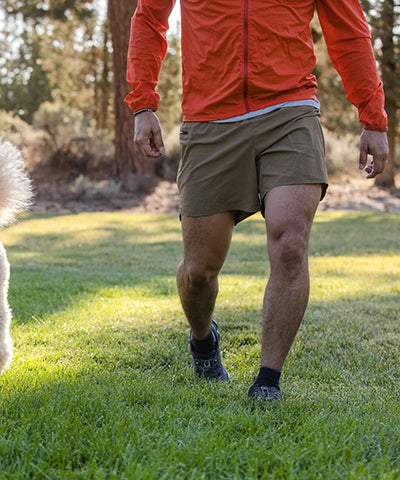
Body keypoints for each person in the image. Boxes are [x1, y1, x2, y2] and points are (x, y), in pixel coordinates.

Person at [126, 0, 389, 400]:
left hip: (290, 110)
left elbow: (348, 30)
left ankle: (268, 380)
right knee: (199, 270)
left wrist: (373, 116)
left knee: (291, 240)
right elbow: (149, 18)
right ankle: (203, 340)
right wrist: (143, 102)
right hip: (210, 118)